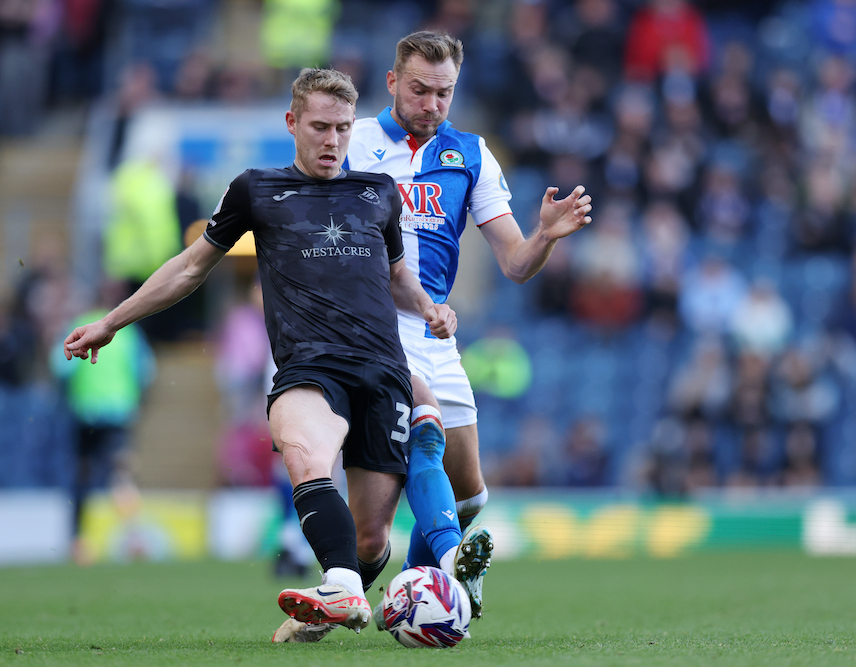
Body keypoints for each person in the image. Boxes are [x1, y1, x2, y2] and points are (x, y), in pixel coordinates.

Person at [62, 68, 457, 638]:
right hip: (310, 365)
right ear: (292, 123)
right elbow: (190, 266)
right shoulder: (257, 189)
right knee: (304, 451)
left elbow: (397, 278)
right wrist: (113, 321)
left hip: (384, 369)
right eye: (320, 127)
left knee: (373, 538)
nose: (332, 141)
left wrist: (430, 308)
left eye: (343, 128)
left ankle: (338, 596)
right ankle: (343, 584)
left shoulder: (379, 193)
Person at [351, 29, 593, 618]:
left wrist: (544, 237)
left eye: (444, 92)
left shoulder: (471, 153)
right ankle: (448, 568)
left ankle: (407, 588)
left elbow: (514, 263)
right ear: (391, 83)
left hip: (437, 328)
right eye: (419, 90)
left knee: (471, 494)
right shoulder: (351, 145)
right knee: (425, 440)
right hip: (375, 327)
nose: (432, 103)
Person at [50, 279, 155, 565]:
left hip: (85, 412)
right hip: (119, 413)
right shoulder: (129, 332)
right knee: (121, 475)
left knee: (81, 478)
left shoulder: (78, 325)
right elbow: (147, 372)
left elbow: (59, 366)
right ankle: (134, 538)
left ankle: (77, 543)